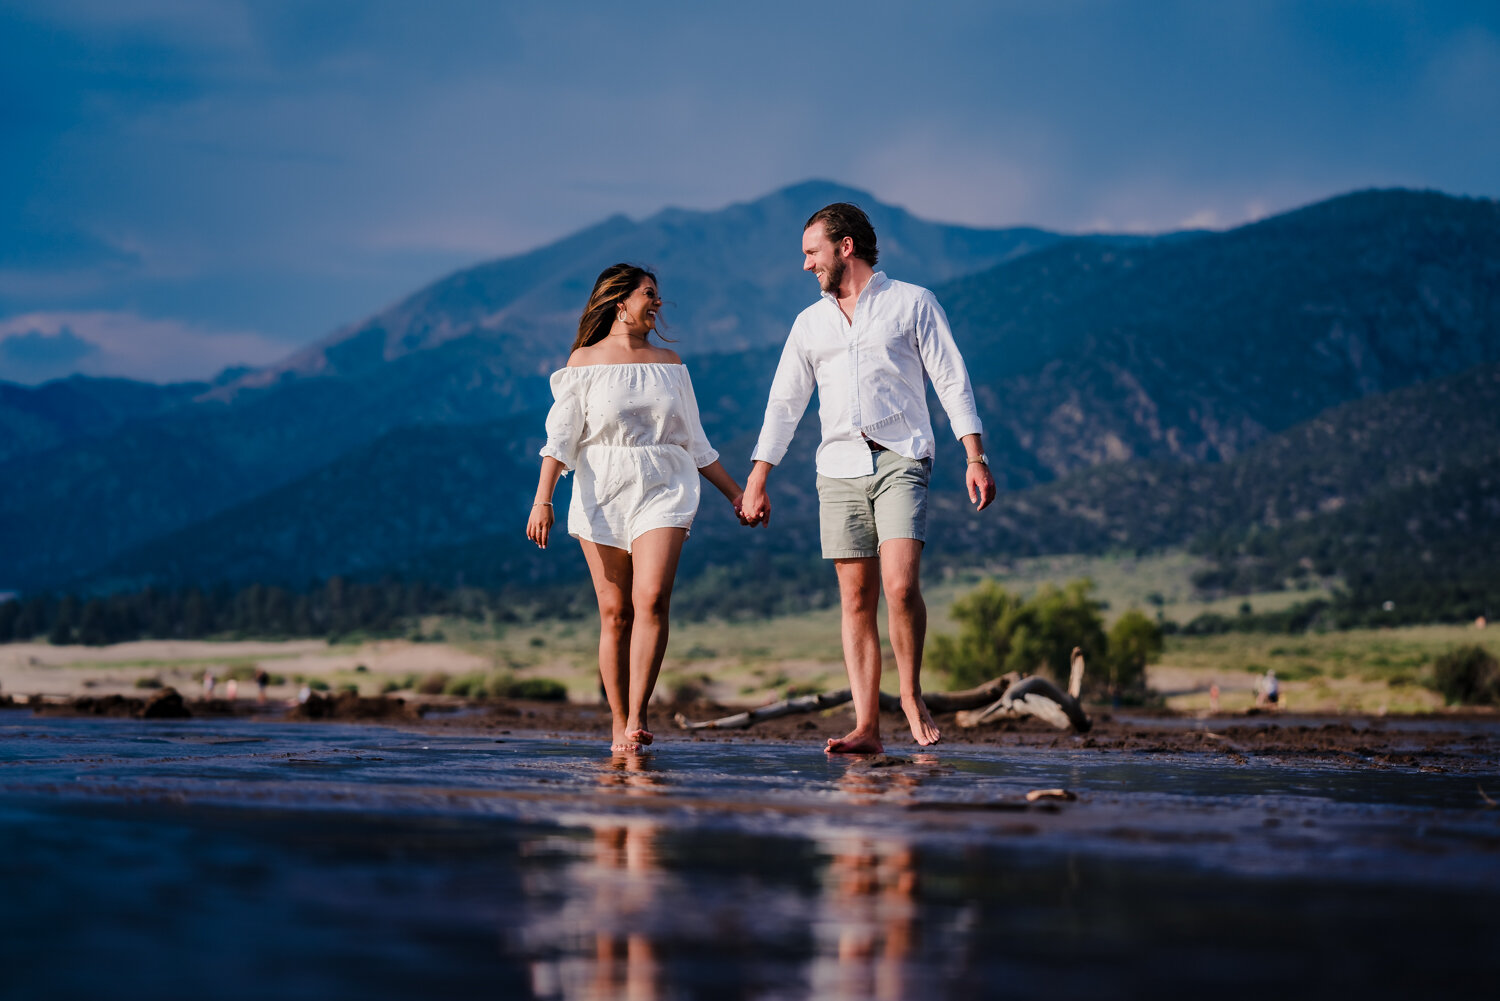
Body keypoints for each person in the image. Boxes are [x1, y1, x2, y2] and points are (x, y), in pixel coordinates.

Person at [740, 203, 996, 753]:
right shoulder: (809, 324)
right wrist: (759, 477)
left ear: (845, 246)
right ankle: (867, 727)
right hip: (837, 470)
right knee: (856, 601)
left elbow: (951, 380)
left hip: (902, 458)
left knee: (900, 588)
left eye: (812, 252)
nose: (806, 265)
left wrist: (974, 456)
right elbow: (784, 404)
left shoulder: (912, 303)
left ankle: (909, 693)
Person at [528, 264, 749, 752]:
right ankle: (618, 721)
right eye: (649, 294)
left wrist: (737, 493)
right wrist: (543, 499)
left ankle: (638, 717)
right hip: (601, 491)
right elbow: (559, 440)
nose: (657, 303)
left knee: (651, 600)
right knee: (614, 613)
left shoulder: (670, 364)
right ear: (619, 300)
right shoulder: (582, 362)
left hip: (664, 487)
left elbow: (696, 443)